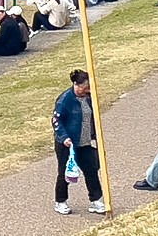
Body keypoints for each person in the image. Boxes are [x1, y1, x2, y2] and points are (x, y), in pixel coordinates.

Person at [51, 69, 106, 216]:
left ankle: (96, 199)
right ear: (76, 84)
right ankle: (60, 201)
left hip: (85, 141)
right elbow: (56, 121)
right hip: (68, 144)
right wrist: (64, 137)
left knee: (91, 170)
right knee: (65, 172)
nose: (87, 90)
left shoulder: (89, 98)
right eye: (85, 87)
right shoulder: (64, 100)